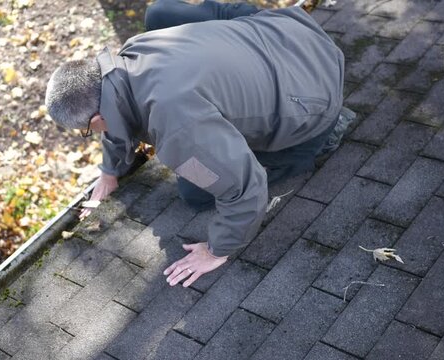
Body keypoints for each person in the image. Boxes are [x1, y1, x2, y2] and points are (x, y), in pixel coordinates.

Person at [45, 1, 353, 288]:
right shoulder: (129, 55)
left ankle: (326, 134)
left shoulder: (176, 126)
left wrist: (218, 250)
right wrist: (110, 171)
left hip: (315, 101)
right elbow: (115, 114)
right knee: (160, 14)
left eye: (87, 130)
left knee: (196, 192)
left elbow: (246, 188)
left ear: (97, 115)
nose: (92, 133)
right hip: (288, 32)